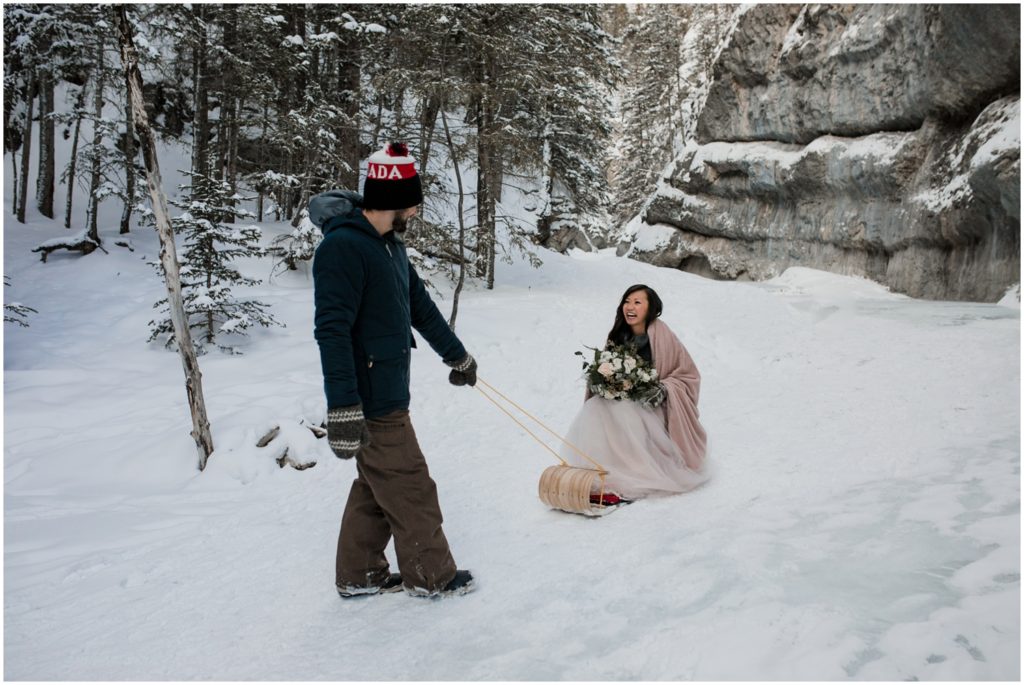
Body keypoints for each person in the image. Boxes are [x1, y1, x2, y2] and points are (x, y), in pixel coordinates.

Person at [310, 142, 478, 598]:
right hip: (370, 398)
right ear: (394, 201)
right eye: (414, 201)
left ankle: (359, 574)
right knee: (409, 486)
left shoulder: (389, 246)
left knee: (376, 484)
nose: (418, 209)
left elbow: (420, 309)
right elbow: (332, 332)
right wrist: (344, 406)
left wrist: (456, 356)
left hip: (388, 388)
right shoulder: (343, 248)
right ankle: (433, 577)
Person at [560, 284, 709, 503]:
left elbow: (688, 375)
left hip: (652, 405)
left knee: (625, 412)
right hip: (623, 399)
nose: (630, 307)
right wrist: (602, 382)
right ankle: (598, 472)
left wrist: (663, 388)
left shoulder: (663, 335)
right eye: (627, 302)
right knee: (596, 407)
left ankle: (633, 475)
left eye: (637, 302)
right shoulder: (618, 335)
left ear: (651, 309)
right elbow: (607, 367)